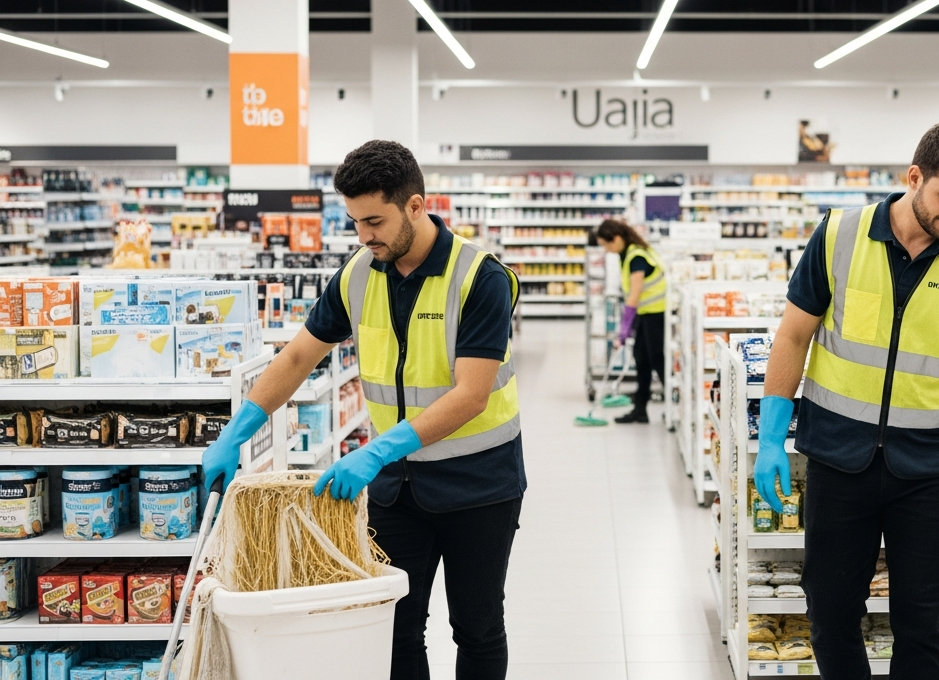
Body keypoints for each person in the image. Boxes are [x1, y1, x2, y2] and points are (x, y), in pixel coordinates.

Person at [201, 140, 526, 680]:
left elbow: (471, 394)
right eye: (355, 221)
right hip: (397, 489)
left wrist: (376, 451)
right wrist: (238, 428)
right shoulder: (358, 273)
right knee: (395, 628)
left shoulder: (480, 278)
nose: (364, 235)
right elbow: (299, 355)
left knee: (477, 626)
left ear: (415, 206)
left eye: (375, 221)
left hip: (479, 484)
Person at [757, 122, 939, 679]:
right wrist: (770, 438)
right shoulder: (838, 235)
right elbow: (793, 337)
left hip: (928, 471)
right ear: (914, 176)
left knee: (921, 629)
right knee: (830, 616)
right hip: (837, 459)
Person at [594, 219, 666, 424]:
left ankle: (677, 407)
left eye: (607, 245)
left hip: (655, 313)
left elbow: (634, 295)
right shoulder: (628, 254)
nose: (607, 250)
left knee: (657, 361)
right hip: (645, 313)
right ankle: (640, 409)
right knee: (641, 359)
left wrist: (624, 329)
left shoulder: (636, 257)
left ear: (617, 238)